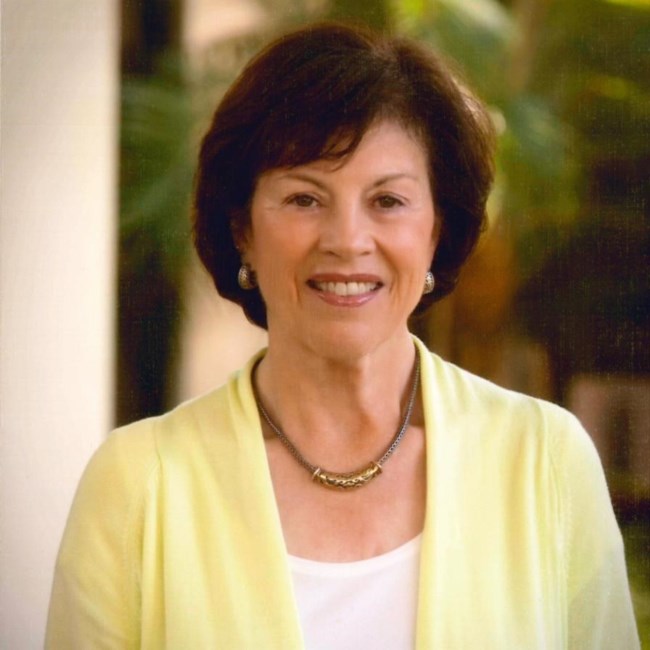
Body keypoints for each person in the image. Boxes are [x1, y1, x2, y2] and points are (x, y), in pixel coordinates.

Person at [46, 22, 640, 649]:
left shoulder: (545, 461)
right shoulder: (139, 483)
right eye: (305, 199)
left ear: (437, 229)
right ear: (242, 230)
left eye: (387, 201)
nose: (348, 240)